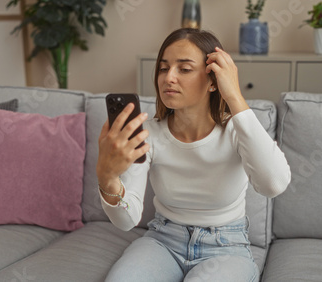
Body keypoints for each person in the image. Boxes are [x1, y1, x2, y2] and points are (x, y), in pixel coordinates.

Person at [96, 28, 291, 282]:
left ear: (213, 81)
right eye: (164, 68)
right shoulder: (150, 135)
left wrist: (233, 95)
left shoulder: (236, 130)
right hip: (163, 240)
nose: (169, 78)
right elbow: (126, 220)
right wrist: (107, 176)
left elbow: (273, 184)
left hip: (226, 247)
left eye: (184, 69)